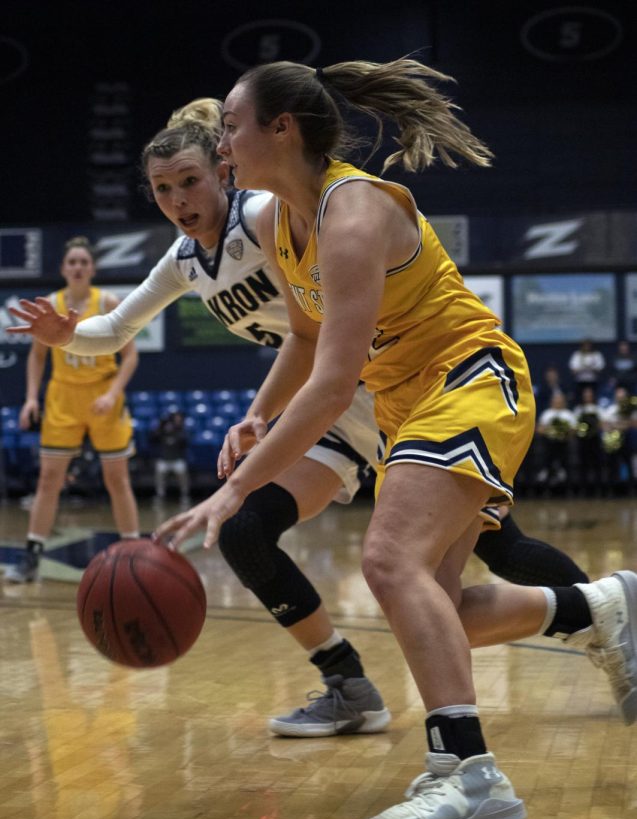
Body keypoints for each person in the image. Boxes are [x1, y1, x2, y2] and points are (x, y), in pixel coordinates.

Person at [144, 58, 637, 819]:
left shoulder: (354, 213)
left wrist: (237, 489)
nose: (223, 140)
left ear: (283, 129)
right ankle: (602, 606)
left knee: (387, 562)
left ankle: (468, 777)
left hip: (469, 380)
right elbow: (305, 338)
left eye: (232, 124)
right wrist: (256, 414)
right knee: (442, 613)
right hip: (413, 406)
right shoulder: (276, 219)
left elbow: (336, 385)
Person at [6, 99, 590, 731]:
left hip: (385, 388)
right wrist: (68, 335)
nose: (178, 199)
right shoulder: (182, 261)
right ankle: (347, 682)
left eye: (190, 181)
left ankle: (607, 619)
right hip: (333, 409)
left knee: (499, 554)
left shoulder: (266, 216)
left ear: (223, 172)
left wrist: (259, 416)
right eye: (163, 189)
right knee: (246, 531)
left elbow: (309, 337)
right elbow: (116, 327)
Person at [4, 236, 139, 583]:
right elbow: (36, 358)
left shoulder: (107, 301)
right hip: (63, 395)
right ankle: (31, 557)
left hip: (102, 395)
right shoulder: (50, 304)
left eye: (84, 262)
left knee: (117, 478)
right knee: (48, 479)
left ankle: (134, 554)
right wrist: (31, 398)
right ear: (64, 269)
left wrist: (112, 393)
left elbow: (131, 356)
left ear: (92, 268)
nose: (78, 267)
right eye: (72, 262)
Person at [150, 410, 190, 505]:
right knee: (159, 470)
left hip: (177, 460)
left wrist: (177, 428)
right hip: (164, 460)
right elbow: (152, 439)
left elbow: (185, 442)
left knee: (182, 471)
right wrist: (161, 427)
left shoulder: (180, 431)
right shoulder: (161, 432)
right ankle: (160, 494)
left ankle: (185, 494)